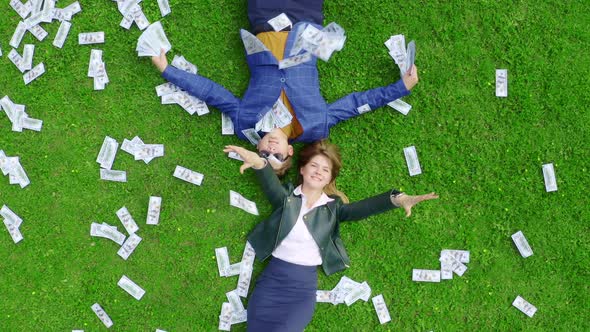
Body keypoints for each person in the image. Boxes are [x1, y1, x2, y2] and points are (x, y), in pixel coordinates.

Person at [152, 0, 419, 175]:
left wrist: (168, 70)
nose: (269, 148)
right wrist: (401, 87)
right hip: (307, 23)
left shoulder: (245, 121)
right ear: (289, 151)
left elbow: (212, 93)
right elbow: (357, 103)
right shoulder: (316, 125)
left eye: (264, 154)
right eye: (276, 155)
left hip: (264, 19)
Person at [223, 140, 438, 331]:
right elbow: (270, 184)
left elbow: (363, 208)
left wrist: (398, 199)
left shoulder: (333, 209)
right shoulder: (286, 198)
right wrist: (259, 162)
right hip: (271, 284)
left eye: (325, 170)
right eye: (314, 166)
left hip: (301, 292)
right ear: (302, 169)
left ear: (329, 178)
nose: (318, 172)